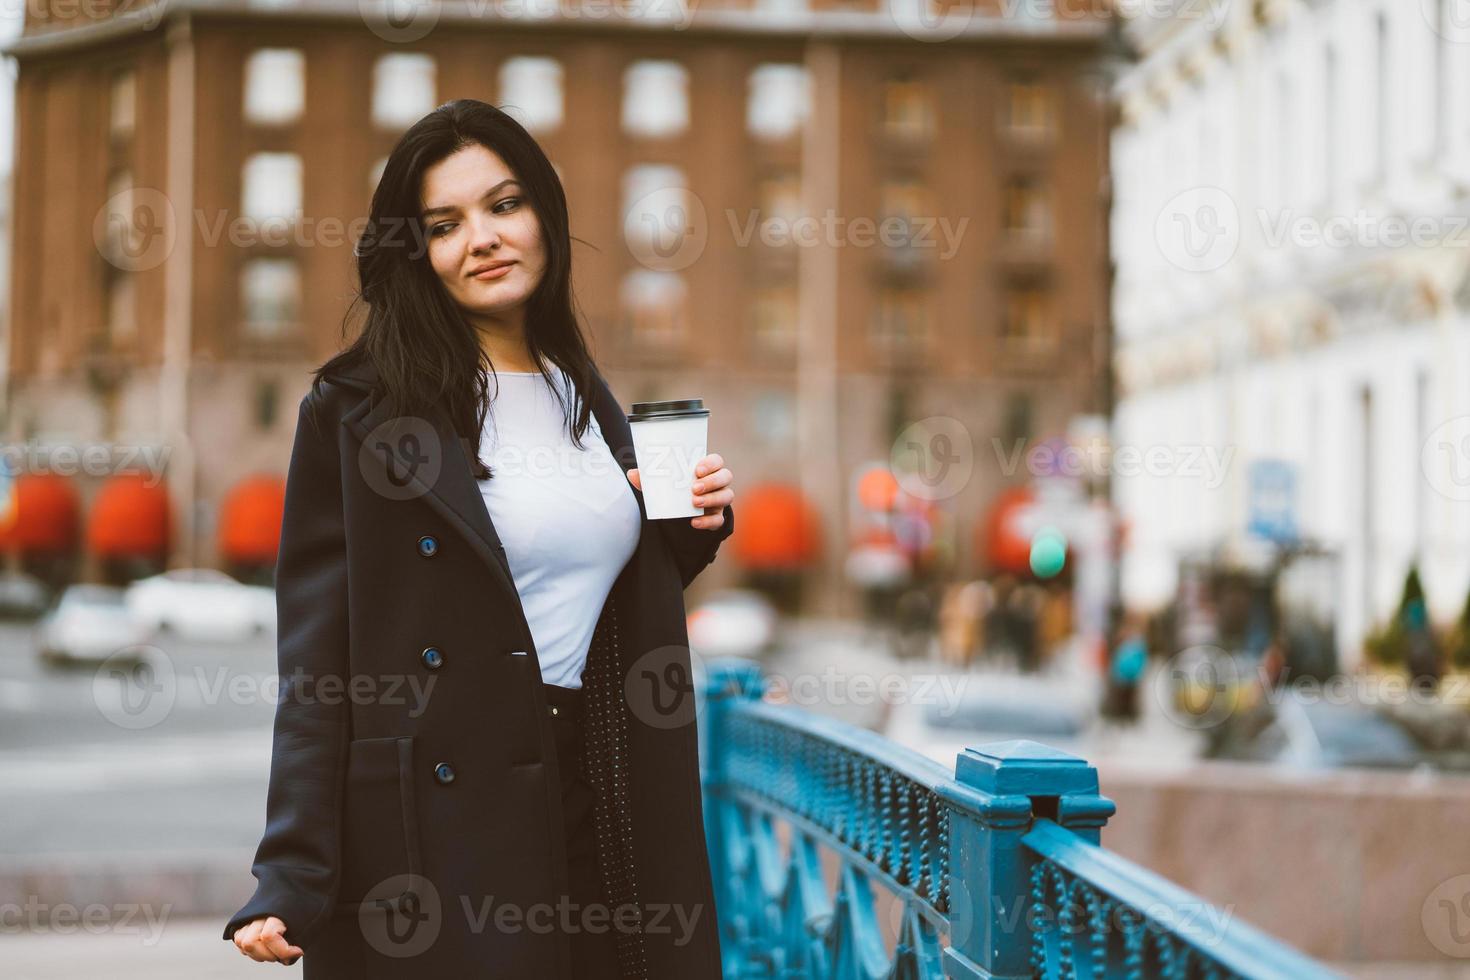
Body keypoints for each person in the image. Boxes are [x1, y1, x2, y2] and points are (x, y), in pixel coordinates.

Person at [224, 100, 736, 978]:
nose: (484, 239)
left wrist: (688, 533)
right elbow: (317, 666)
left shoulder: (587, 395)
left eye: (504, 206)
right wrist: (288, 873)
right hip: (438, 832)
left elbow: (579, 594)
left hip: (600, 791)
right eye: (444, 224)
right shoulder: (358, 411)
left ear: (545, 214)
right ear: (414, 251)